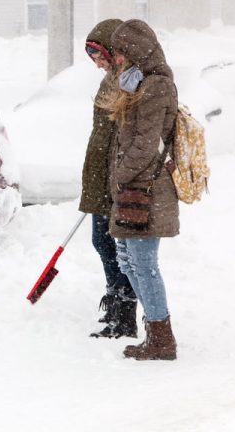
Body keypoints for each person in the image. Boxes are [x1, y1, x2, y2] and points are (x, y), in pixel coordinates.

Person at [99, 19, 179, 361]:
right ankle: (155, 329)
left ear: (135, 51)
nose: (117, 60)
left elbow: (146, 144)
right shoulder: (136, 83)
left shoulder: (157, 86)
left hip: (149, 188)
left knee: (143, 263)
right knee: (129, 262)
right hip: (134, 186)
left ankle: (162, 337)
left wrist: (121, 174)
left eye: (120, 53)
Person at [80, 19, 138, 339]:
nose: (97, 63)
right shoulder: (110, 80)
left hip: (116, 174)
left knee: (118, 246)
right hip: (100, 172)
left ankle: (125, 314)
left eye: (100, 55)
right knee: (102, 241)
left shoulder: (128, 80)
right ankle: (115, 303)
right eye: (93, 58)